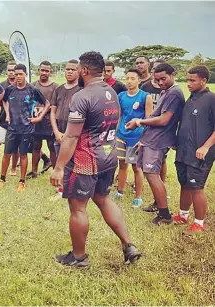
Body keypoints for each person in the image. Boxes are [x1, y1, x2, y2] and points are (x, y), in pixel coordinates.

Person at [50, 51, 141, 268]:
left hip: (85, 161)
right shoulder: (111, 92)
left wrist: (59, 167)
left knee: (78, 208)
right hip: (108, 158)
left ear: (84, 71)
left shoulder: (82, 96)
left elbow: (71, 136)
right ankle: (129, 246)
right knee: (103, 199)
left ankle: (78, 258)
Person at [126, 63, 185, 225]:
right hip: (150, 138)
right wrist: (143, 138)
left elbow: (164, 120)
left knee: (152, 175)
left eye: (163, 79)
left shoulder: (174, 93)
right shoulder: (166, 91)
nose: (160, 83)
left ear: (173, 74)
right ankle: (158, 204)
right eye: (157, 80)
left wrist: (139, 122)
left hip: (158, 140)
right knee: (149, 173)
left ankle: (165, 215)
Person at [173, 66, 215, 232]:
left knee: (196, 186)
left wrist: (205, 146)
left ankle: (199, 223)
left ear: (203, 81)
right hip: (184, 150)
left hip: (201, 153)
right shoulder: (191, 98)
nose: (188, 83)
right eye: (187, 79)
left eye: (192, 80)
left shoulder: (211, 99)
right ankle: (183, 215)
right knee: (184, 183)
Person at [0, 64, 46, 192]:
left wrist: (39, 117)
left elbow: (47, 103)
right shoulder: (10, 89)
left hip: (27, 128)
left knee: (23, 155)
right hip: (12, 128)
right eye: (16, 74)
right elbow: (4, 100)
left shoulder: (32, 90)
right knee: (6, 154)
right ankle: (2, 179)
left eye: (20, 74)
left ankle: (22, 181)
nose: (18, 77)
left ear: (26, 74)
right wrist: (8, 114)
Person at [113, 68, 153, 208]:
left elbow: (149, 119)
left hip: (136, 137)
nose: (129, 81)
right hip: (121, 136)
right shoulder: (121, 96)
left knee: (137, 167)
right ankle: (120, 191)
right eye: (127, 78)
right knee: (122, 165)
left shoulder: (145, 96)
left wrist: (143, 139)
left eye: (132, 79)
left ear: (139, 80)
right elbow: (119, 116)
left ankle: (138, 197)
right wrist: (115, 132)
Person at [49, 59, 81, 200]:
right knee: (60, 161)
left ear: (79, 71)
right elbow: (52, 111)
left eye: (73, 69)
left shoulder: (81, 90)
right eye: (67, 69)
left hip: (73, 132)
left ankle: (71, 190)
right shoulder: (59, 89)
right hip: (59, 131)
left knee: (72, 163)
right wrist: (56, 132)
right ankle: (62, 189)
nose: (69, 71)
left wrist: (67, 134)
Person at [141, 59, 168, 190]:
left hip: (161, 129)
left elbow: (166, 118)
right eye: (154, 70)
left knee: (162, 160)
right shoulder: (145, 86)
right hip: (149, 125)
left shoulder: (169, 90)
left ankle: (162, 184)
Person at [29, 61, 57, 179]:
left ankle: (55, 173)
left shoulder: (55, 87)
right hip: (36, 122)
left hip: (50, 122)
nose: (44, 73)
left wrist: (45, 109)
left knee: (52, 147)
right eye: (42, 70)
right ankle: (34, 171)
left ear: (50, 72)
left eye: (47, 71)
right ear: (38, 70)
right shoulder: (33, 85)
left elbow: (56, 105)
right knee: (36, 147)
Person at [0, 61, 19, 175]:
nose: (11, 73)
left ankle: (13, 168)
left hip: (18, 121)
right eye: (9, 70)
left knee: (15, 147)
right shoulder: (1, 85)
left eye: (14, 70)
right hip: (3, 121)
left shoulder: (22, 85)